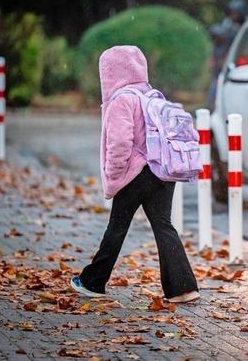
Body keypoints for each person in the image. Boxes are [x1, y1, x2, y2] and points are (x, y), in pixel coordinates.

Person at [70, 46, 199, 303]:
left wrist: (114, 174)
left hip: (136, 174)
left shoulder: (121, 100)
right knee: (164, 226)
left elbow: (119, 144)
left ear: (110, 72)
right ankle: (183, 288)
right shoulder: (153, 95)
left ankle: (92, 282)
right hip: (162, 171)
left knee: (117, 227)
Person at [207, 0, 248, 111]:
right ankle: (213, 108)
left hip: (237, 63)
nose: (232, 15)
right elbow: (217, 34)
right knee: (217, 83)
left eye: (235, 13)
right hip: (222, 62)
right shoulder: (227, 24)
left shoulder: (245, 27)